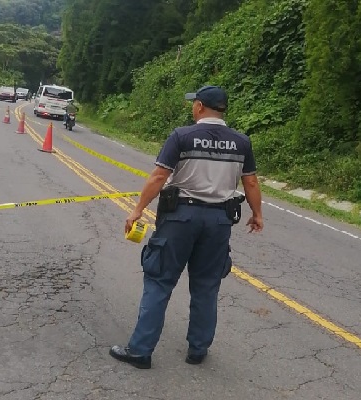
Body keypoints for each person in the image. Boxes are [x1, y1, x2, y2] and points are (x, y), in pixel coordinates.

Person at [110, 85, 264, 369]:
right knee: (207, 286)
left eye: (194, 103)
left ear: (201, 106)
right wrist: (257, 214)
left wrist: (137, 209)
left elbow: (158, 177)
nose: (192, 107)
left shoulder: (183, 136)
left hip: (180, 218)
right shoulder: (241, 142)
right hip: (218, 222)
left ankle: (141, 351)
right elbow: (251, 182)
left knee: (159, 281)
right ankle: (198, 349)